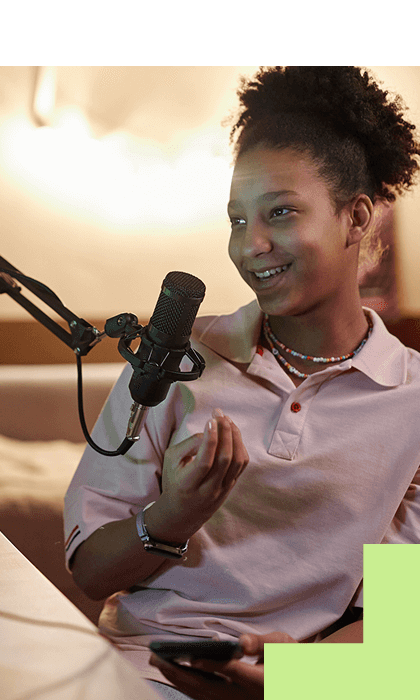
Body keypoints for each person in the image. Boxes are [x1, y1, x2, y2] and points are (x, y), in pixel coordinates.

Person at [63, 65, 420, 699]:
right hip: (144, 670)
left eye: (280, 213)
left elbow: (399, 623)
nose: (250, 245)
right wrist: (174, 515)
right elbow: (92, 571)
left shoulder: (411, 403)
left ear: (356, 216)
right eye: (235, 219)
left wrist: (293, 677)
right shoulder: (172, 360)